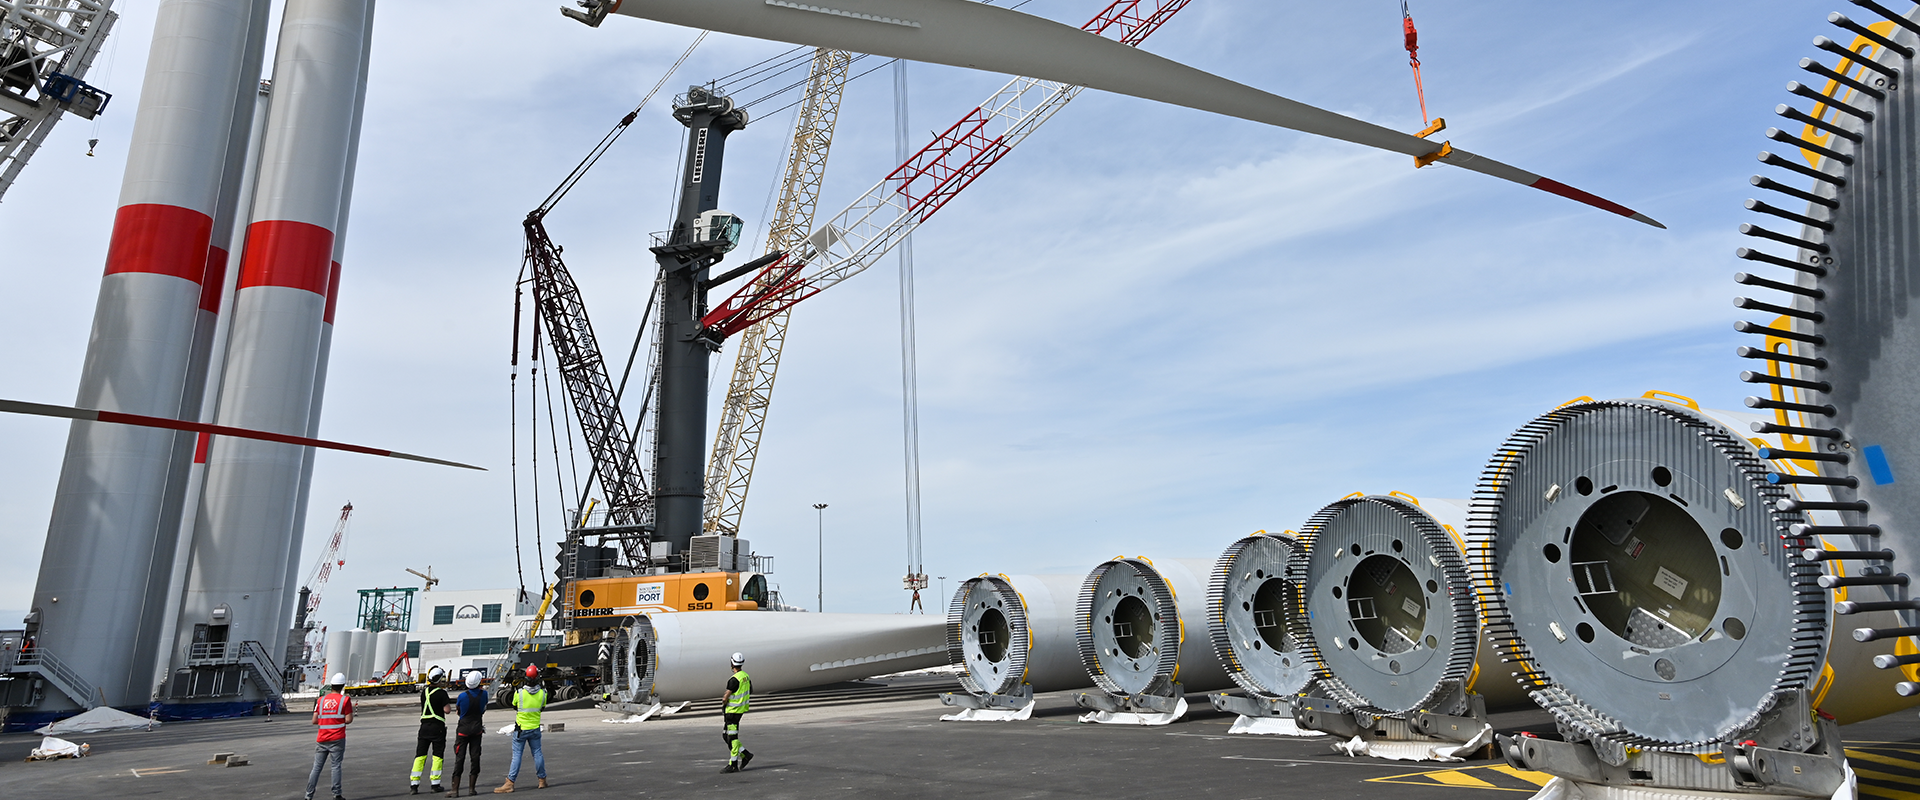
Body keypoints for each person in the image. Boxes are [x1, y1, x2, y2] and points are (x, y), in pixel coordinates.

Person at [493, 665, 547, 793]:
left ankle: (510, 783)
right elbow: (542, 707)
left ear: (526, 679)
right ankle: (542, 780)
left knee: (517, 756)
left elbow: (514, 706)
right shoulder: (543, 693)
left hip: (521, 729)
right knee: (537, 753)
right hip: (535, 728)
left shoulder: (519, 693)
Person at [306, 672, 354, 800]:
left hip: (322, 738)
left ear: (331, 685)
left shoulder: (321, 700)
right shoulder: (345, 700)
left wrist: (326, 720)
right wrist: (337, 720)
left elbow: (314, 720)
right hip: (337, 738)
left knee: (316, 768)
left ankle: (308, 795)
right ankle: (336, 794)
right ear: (342, 686)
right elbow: (349, 719)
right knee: (335, 766)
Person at [411, 667, 455, 794]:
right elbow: (447, 710)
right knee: (437, 756)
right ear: (440, 679)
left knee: (420, 756)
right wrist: (445, 698)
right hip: (437, 728)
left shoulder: (424, 692)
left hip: (424, 727)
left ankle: (414, 784)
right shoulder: (441, 693)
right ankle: (435, 784)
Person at [449, 672, 487, 797]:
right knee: (475, 757)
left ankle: (455, 790)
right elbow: (483, 709)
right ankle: (472, 788)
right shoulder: (484, 694)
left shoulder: (462, 696)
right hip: (477, 729)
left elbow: (458, 711)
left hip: (463, 730)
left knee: (459, 758)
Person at [720, 652, 753, 774]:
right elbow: (750, 690)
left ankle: (733, 764)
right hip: (740, 710)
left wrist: (724, 703)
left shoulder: (733, 680)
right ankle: (745, 754)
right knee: (726, 735)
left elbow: (725, 697)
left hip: (732, 712)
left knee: (732, 737)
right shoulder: (746, 677)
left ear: (732, 663)